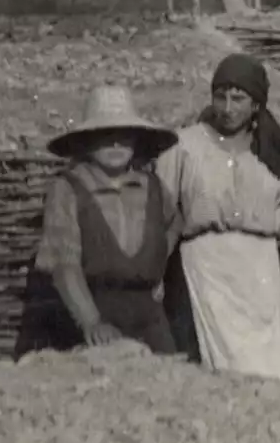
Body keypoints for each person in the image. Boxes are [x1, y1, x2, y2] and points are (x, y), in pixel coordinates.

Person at [156, 54, 280, 378]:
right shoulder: (185, 146)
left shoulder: (272, 151)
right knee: (211, 371)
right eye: (220, 96)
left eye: (238, 98)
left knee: (267, 368)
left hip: (259, 273)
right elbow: (162, 211)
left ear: (256, 105)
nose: (227, 107)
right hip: (205, 268)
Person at [14, 86, 182, 359]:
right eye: (105, 136)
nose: (115, 145)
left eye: (123, 136)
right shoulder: (68, 188)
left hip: (148, 316)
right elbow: (64, 263)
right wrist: (91, 321)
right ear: (86, 141)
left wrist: (158, 268)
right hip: (93, 310)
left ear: (137, 139)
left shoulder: (153, 187)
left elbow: (175, 223)